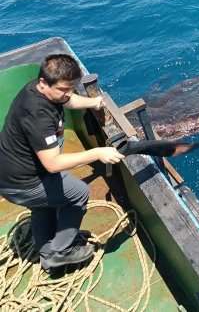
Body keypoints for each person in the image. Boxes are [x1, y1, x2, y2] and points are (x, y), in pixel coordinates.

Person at [0, 54, 125, 271]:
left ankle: (47, 251)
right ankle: (60, 252)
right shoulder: (37, 114)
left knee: (43, 207)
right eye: (63, 90)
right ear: (43, 83)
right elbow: (53, 164)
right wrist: (97, 152)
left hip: (14, 173)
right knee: (78, 192)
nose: (67, 94)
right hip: (21, 182)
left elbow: (69, 99)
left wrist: (93, 102)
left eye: (71, 88)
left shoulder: (44, 89)